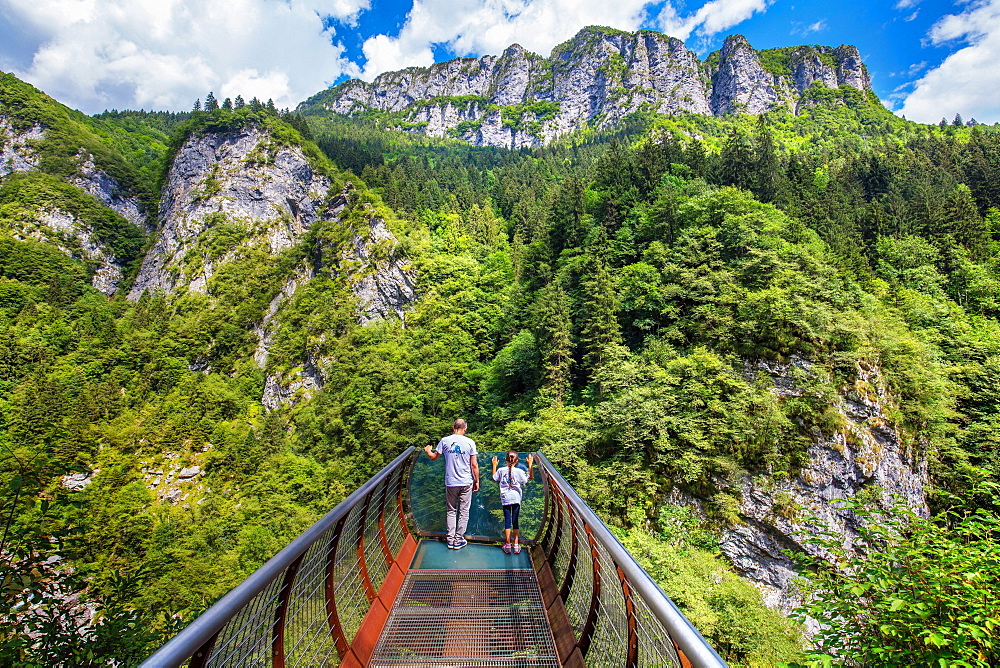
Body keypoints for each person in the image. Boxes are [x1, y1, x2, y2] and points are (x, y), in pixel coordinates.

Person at [424, 419, 479, 549]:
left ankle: (450, 540)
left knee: (451, 510)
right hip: (466, 481)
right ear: (465, 429)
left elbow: (434, 457)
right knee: (464, 512)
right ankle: (458, 540)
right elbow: (474, 465)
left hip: (451, 481)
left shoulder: (445, 441)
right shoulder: (470, 442)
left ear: (453, 427)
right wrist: (477, 480)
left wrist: (427, 451)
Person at [491, 451, 533, 554]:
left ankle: (507, 544)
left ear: (505, 459)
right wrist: (530, 464)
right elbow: (529, 477)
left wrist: (494, 465)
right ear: (517, 461)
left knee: (507, 520)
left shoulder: (501, 470)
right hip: (516, 497)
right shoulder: (519, 471)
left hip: (505, 497)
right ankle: (516, 544)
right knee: (515, 520)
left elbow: (494, 477)